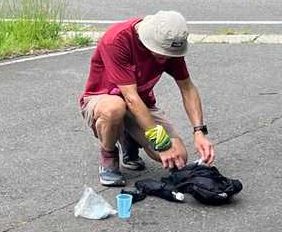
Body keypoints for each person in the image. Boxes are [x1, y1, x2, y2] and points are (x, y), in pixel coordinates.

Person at [79, 11, 216, 187]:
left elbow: (187, 88)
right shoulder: (117, 40)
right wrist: (161, 143)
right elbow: (130, 98)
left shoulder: (169, 47)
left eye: (169, 54)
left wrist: (199, 132)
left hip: (140, 104)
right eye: (162, 52)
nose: (165, 58)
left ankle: (129, 137)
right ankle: (109, 154)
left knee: (179, 157)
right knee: (114, 109)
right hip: (104, 99)